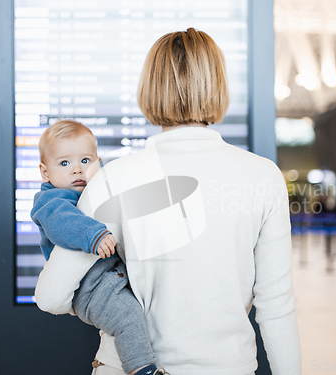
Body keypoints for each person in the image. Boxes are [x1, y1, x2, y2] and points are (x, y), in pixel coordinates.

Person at [36, 28, 301, 374]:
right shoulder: (263, 176)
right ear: (218, 86)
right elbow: (276, 307)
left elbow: (51, 295)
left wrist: (107, 304)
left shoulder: (113, 179)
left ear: (149, 89)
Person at [30, 119, 169, 375]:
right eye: (64, 163)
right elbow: (63, 223)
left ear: (98, 162)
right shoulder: (51, 201)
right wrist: (93, 235)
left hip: (108, 276)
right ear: (45, 172)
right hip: (90, 285)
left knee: (141, 312)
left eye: (85, 161)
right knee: (126, 318)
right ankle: (141, 368)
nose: (77, 170)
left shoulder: (96, 190)